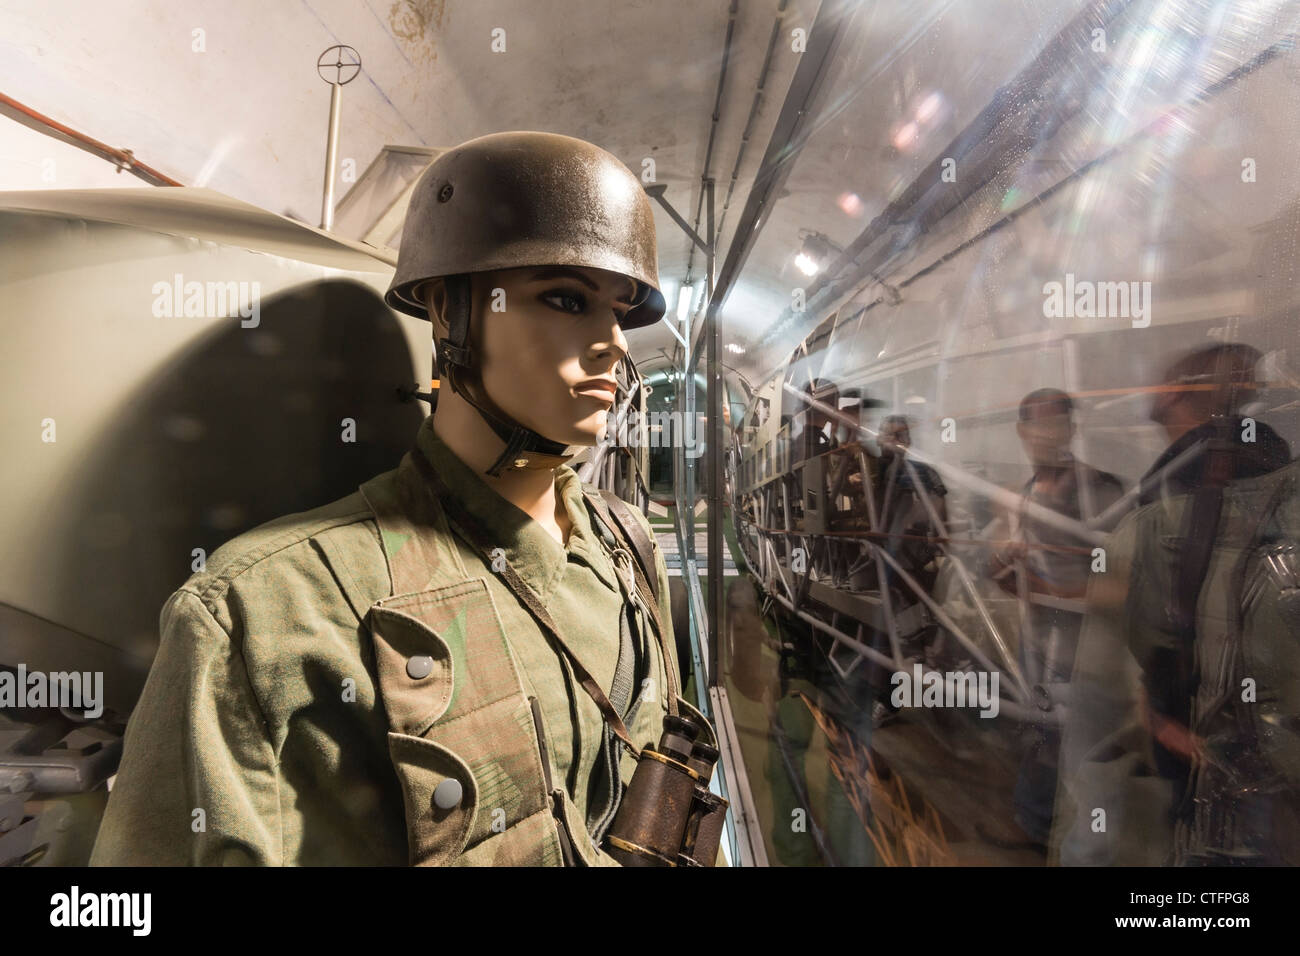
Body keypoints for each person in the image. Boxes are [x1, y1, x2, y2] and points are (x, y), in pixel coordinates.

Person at [91, 131, 715, 866]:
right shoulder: (266, 610)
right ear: (449, 312)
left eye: (622, 310)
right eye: (567, 299)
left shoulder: (627, 546)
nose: (613, 340)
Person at [982, 388, 1124, 850]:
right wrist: (1005, 563)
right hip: (1039, 641)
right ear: (1022, 432)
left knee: (1089, 753)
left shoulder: (1103, 491)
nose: (1047, 434)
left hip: (1091, 648)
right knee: (1041, 734)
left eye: (1057, 423)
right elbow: (997, 575)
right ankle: (1034, 824)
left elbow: (1124, 584)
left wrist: (1050, 592)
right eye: (1037, 425)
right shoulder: (1015, 498)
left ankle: (1080, 848)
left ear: (1071, 428)